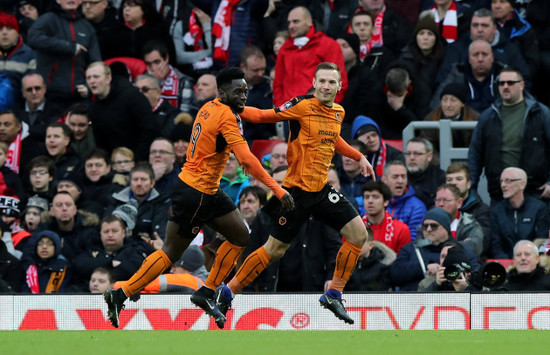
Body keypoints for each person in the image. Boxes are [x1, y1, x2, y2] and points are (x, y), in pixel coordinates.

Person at [103, 67, 294, 328]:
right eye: (238, 91)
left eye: (245, 91)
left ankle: (206, 291)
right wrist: (277, 188)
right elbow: (247, 159)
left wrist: (294, 108)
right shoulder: (225, 116)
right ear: (222, 91)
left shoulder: (211, 106)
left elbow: (260, 114)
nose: (243, 96)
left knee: (240, 235)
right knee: (171, 252)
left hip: (205, 189)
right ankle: (121, 293)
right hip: (196, 193)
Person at [209, 62, 374, 327]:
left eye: (332, 82)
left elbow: (334, 140)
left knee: (358, 234)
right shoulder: (302, 106)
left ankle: (334, 294)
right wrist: (234, 108)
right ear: (314, 82)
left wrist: (358, 156)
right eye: (322, 81)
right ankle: (227, 291)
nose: (326, 86)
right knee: (274, 250)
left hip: (320, 191)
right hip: (295, 194)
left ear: (340, 86)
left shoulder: (338, 113)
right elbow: (265, 116)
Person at [468, 67, 550, 201]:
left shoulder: (541, 113)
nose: (505, 86)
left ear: (522, 85)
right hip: (499, 191)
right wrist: (471, 188)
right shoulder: (488, 116)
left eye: (510, 83)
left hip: (534, 191)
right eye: (501, 83)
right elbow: (475, 154)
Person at [27, 0, 101, 105]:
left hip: (79, 95)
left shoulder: (86, 26)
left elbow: (95, 61)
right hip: (50, 95)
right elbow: (33, 37)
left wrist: (88, 86)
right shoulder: (48, 19)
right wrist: (69, 47)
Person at [435, 8, 530, 88]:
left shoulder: (510, 49)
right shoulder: (457, 49)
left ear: (494, 28)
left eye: (484, 26)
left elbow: (524, 81)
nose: (479, 30)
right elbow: (442, 82)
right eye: (475, 25)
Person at [273, 6, 348, 106]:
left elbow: (339, 82)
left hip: (318, 113)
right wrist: (281, 108)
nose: (291, 26)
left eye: (296, 21)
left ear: (309, 21)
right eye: (289, 22)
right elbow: (278, 83)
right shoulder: (285, 49)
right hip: (290, 114)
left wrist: (325, 108)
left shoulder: (328, 45)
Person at [390, 207, 479, 291]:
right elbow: (394, 274)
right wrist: (424, 267)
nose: (428, 229)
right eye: (425, 226)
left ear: (446, 228)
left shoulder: (461, 250)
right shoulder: (411, 249)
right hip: (412, 300)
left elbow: (476, 274)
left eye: (434, 226)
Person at [85, 61, 159, 160]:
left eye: (96, 77)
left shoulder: (133, 97)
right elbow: (101, 144)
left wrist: (135, 160)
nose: (92, 81)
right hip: (114, 163)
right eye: (88, 78)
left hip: (141, 161)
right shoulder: (93, 108)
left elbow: (149, 130)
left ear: (108, 78)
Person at [73, 215, 146, 291]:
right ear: (100, 233)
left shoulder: (135, 249)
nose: (110, 235)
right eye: (106, 231)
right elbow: (80, 265)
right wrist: (110, 263)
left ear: (123, 233)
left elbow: (137, 269)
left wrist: (99, 265)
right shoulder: (92, 248)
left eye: (114, 231)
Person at [490, 168, 550, 258]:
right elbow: (495, 245)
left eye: (508, 181)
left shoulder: (539, 208)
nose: (503, 185)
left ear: (522, 184)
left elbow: (542, 242)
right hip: (506, 264)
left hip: (533, 263)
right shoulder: (496, 211)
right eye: (501, 181)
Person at [431, 39, 503, 113]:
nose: (480, 59)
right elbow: (437, 108)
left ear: (492, 57)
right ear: (469, 59)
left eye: (484, 54)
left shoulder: (503, 75)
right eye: (476, 55)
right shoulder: (457, 74)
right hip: (462, 123)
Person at [107, 162, 170, 244]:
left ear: (152, 183)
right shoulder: (116, 200)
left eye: (143, 180)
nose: (139, 184)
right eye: (135, 179)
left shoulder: (160, 203)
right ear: (130, 182)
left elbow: (159, 237)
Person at [423, 82, 480, 154]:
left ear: (462, 104)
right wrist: (440, 163)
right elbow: (427, 146)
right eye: (444, 100)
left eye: (453, 100)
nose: (448, 105)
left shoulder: (475, 119)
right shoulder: (431, 119)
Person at [491, 0, 539, 83]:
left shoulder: (524, 29)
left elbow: (532, 63)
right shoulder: (483, 25)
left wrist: (519, 80)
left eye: (502, 2)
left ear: (512, 7)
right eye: (494, 2)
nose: (497, 6)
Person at [142, 40, 195, 114]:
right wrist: (154, 83)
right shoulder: (141, 82)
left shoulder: (184, 82)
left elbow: (185, 116)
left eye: (157, 62)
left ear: (166, 58)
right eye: (148, 64)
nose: (153, 68)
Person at [361, 180, 411, 254]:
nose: (370, 201)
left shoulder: (401, 230)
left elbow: (403, 261)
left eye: (375, 197)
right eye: (366, 197)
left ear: (386, 202)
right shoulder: (353, 229)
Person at [382, 160, 427, 241]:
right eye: (395, 177)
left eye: (403, 176)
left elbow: (414, 240)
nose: (400, 181)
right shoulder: (375, 202)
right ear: (384, 180)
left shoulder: (417, 207)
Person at [434, 183, 485, 256]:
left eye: (446, 200)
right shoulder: (427, 224)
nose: (441, 204)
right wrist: (461, 244)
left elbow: (474, 248)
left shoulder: (470, 224)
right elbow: (419, 248)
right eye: (438, 200)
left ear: (459, 203)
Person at [445, 162, 490, 241]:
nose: (453, 183)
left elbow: (482, 240)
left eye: (459, 179)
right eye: (449, 180)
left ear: (469, 184)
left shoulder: (481, 210)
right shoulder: (438, 207)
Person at [240, 45, 276, 142]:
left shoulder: (269, 88)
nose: (261, 74)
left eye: (263, 69)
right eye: (255, 70)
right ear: (243, 67)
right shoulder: (231, 87)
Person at [17, 73, 64, 145]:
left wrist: (23, 130)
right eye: (29, 89)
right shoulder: (15, 111)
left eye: (37, 88)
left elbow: (51, 131)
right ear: (23, 92)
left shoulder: (56, 110)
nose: (34, 92)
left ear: (44, 89)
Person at [0, 12, 36, 101]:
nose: (4, 32)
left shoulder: (30, 55)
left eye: (9, 28)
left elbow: (32, 86)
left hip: (18, 106)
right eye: (0, 29)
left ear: (17, 32)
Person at [134, 74, 181, 139]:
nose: (140, 93)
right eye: (136, 90)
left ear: (158, 92)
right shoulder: (130, 110)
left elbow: (164, 138)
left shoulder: (172, 113)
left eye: (145, 89)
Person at [405, 137, 446, 210]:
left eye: (417, 154)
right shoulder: (400, 176)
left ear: (429, 156)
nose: (411, 158)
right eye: (408, 153)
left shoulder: (441, 178)